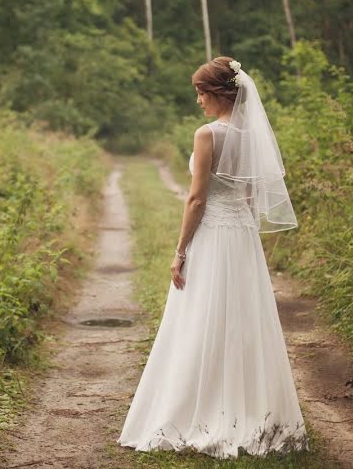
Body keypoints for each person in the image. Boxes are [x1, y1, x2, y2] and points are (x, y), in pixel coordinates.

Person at [117, 56, 309, 460]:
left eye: (201, 93)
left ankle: (199, 411)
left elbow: (197, 198)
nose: (198, 101)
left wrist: (180, 250)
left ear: (218, 93)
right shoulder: (252, 136)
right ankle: (251, 408)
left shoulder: (207, 135)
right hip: (242, 238)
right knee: (242, 318)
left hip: (213, 236)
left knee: (202, 317)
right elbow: (251, 198)